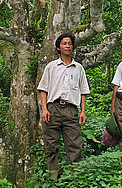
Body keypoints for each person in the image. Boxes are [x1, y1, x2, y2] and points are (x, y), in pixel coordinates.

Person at [37, 33, 89, 179]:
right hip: (53, 108)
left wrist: (82, 112)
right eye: (64, 43)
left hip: (71, 110)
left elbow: (84, 91)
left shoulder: (78, 68)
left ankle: (74, 178)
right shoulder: (51, 67)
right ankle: (53, 177)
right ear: (58, 47)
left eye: (70, 44)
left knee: (74, 145)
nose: (67, 46)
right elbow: (43, 89)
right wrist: (45, 109)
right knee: (51, 146)